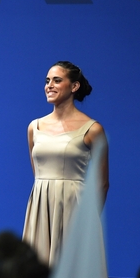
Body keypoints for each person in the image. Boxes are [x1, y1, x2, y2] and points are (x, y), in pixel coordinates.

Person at [22, 60, 109, 266]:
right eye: (47, 81)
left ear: (74, 86)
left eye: (57, 80)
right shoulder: (34, 127)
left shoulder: (93, 129)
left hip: (74, 209)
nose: (49, 85)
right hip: (40, 209)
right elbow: (38, 174)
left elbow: (102, 183)